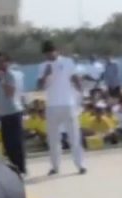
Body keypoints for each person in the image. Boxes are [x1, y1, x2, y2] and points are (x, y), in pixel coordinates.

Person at [38, 40, 86, 176]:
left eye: (51, 51)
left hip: (68, 103)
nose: (49, 54)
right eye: (47, 52)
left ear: (57, 51)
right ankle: (55, 166)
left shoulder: (67, 62)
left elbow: (75, 78)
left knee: (74, 136)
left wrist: (81, 91)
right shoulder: (42, 66)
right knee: (53, 139)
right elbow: (40, 86)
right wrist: (45, 74)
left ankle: (80, 165)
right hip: (51, 105)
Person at [0, 52, 27, 175]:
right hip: (3, 113)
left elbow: (10, 93)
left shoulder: (10, 75)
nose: (0, 64)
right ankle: (14, 167)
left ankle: (21, 168)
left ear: (8, 62)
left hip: (13, 111)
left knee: (16, 142)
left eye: (2, 61)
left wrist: (1, 80)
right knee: (7, 143)